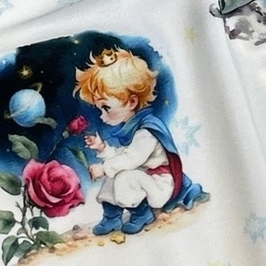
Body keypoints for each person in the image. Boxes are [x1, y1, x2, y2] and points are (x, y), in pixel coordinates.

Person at [77, 46, 201, 237]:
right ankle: (112, 216)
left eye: (106, 107)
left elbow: (131, 159)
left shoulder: (146, 131)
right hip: (146, 177)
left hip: (160, 183)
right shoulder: (135, 127)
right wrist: (102, 148)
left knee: (124, 177)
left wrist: (103, 168)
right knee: (115, 175)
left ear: (132, 102)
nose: (102, 116)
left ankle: (142, 213)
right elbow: (125, 156)